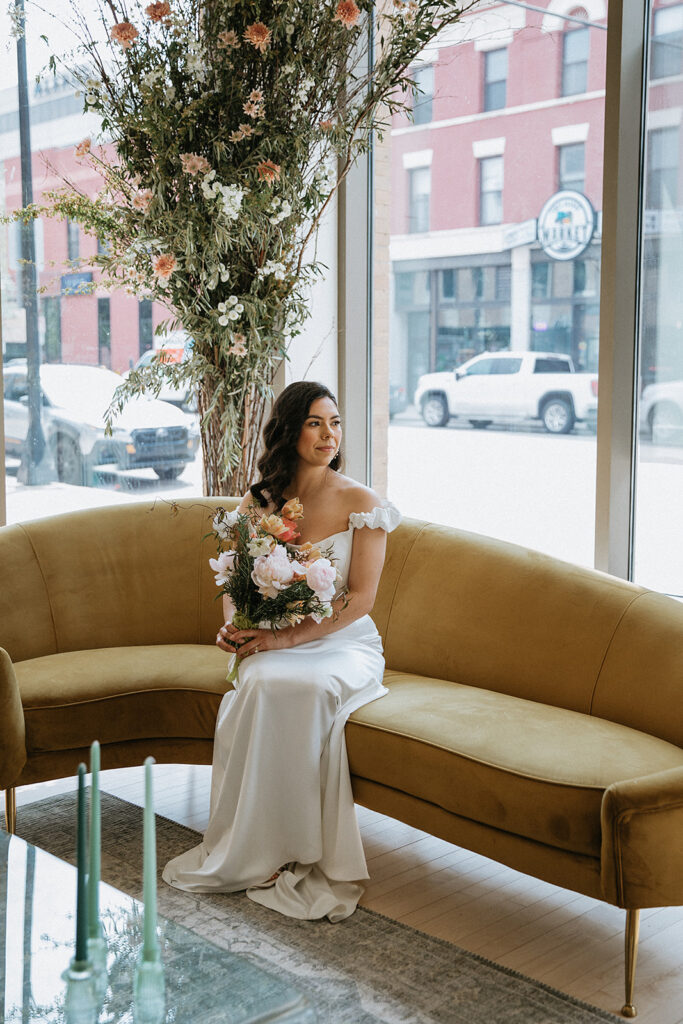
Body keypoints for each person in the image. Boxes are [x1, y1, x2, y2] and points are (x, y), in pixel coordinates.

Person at [162, 380, 401, 922]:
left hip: (342, 644)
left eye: (335, 422)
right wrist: (238, 630)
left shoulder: (364, 504)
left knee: (302, 685)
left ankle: (298, 851)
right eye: (316, 423)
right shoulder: (260, 500)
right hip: (272, 637)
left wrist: (283, 639)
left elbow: (361, 599)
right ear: (290, 430)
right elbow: (233, 581)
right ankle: (252, 846)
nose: (329, 434)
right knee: (263, 681)